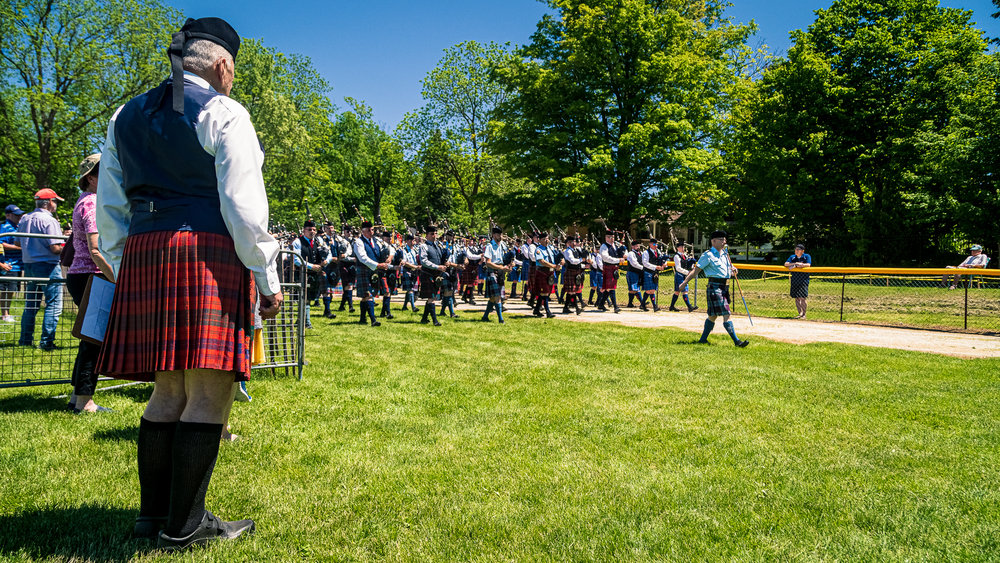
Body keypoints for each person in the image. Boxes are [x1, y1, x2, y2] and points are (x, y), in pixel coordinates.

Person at [95, 17, 282, 550]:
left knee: (167, 389)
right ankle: (187, 527)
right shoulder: (225, 112)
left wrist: (118, 258)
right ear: (223, 65)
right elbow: (244, 210)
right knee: (210, 389)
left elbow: (111, 203)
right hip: (206, 250)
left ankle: (151, 518)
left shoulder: (123, 115)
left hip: (145, 250)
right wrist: (266, 277)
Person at [66, 154, 116, 414]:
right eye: (103, 171)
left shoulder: (85, 201)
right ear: (90, 178)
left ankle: (78, 398)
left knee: (89, 339)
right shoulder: (94, 203)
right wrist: (117, 279)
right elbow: (96, 250)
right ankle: (85, 402)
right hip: (93, 276)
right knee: (94, 341)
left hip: (84, 276)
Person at [680, 230, 749, 347]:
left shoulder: (725, 254)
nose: (724, 242)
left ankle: (702, 340)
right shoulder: (708, 255)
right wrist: (684, 282)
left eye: (725, 239)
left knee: (713, 316)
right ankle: (737, 342)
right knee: (727, 313)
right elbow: (696, 271)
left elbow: (729, 268)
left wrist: (734, 270)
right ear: (713, 241)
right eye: (721, 239)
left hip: (724, 287)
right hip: (714, 286)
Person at [17, 188, 66, 350]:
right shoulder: (50, 221)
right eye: (56, 201)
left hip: (29, 265)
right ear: (50, 202)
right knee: (53, 304)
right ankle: (46, 342)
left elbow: (18, 243)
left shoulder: (24, 218)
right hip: (48, 265)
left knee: (30, 304)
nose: (56, 204)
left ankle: (25, 340)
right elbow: (55, 248)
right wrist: (67, 244)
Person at [352, 220, 389, 326]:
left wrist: (388, 258)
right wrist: (377, 265)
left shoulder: (376, 240)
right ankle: (373, 320)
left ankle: (362, 319)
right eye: (369, 230)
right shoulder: (358, 242)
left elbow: (389, 248)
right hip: (364, 269)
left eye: (372, 230)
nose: (371, 232)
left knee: (366, 296)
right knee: (368, 294)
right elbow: (362, 258)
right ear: (363, 231)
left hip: (374, 271)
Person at [291, 220, 326, 329]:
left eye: (314, 230)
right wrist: (312, 266)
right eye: (309, 230)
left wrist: (326, 261)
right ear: (304, 230)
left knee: (309, 298)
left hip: (315, 274)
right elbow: (296, 260)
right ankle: (307, 322)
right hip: (302, 272)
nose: (312, 232)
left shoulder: (318, 241)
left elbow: (328, 253)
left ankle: (300, 320)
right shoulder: (297, 242)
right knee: (304, 297)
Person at [1, 204, 25, 322]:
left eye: (19, 215)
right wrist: (19, 248)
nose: (19, 217)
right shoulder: (5, 227)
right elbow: (2, 244)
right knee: (6, 290)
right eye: (16, 215)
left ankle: (7, 313)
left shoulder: (17, 226)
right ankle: (5, 314)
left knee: (11, 290)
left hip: (17, 265)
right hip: (9, 264)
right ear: (8, 215)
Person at [418, 225, 446, 326]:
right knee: (432, 298)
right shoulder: (423, 246)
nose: (434, 235)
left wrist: (445, 263)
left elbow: (441, 258)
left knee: (431, 297)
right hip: (428, 274)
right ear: (427, 235)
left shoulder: (437, 246)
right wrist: (437, 267)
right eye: (432, 234)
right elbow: (424, 261)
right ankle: (435, 321)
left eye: (435, 233)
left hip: (436, 275)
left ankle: (424, 319)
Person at [481, 226, 510, 323]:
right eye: (497, 234)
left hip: (501, 272)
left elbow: (506, 257)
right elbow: (488, 262)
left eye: (500, 234)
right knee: (498, 296)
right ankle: (501, 319)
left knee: (493, 298)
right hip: (492, 271)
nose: (499, 236)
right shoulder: (489, 246)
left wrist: (509, 264)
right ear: (493, 235)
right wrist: (501, 267)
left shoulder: (503, 245)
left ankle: (485, 316)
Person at [531, 232, 558, 318]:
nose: (546, 240)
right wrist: (553, 266)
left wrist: (561, 261)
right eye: (544, 239)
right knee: (544, 292)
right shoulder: (538, 249)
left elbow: (556, 256)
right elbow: (541, 261)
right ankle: (548, 312)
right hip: (542, 272)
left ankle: (536, 310)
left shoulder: (551, 248)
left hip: (550, 272)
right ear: (540, 240)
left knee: (545, 292)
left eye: (547, 238)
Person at [561, 235, 588, 315]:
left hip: (576, 272)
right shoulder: (567, 251)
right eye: (573, 242)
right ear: (569, 243)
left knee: (571, 292)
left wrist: (585, 264)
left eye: (575, 241)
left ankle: (566, 308)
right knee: (572, 291)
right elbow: (572, 261)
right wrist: (581, 260)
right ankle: (577, 308)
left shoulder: (576, 250)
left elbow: (580, 260)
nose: (575, 243)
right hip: (570, 271)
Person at [784, 243, 811, 318]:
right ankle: (800, 313)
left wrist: (800, 265)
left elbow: (808, 264)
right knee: (797, 298)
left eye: (798, 249)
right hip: (795, 279)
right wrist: (795, 263)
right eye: (795, 249)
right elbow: (786, 264)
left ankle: (804, 314)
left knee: (802, 297)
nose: (796, 251)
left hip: (803, 280)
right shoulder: (792, 257)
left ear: (802, 251)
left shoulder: (806, 256)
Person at [640, 238, 667, 312]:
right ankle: (654, 306)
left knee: (652, 290)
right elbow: (645, 263)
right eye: (654, 244)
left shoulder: (658, 252)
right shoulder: (646, 252)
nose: (656, 246)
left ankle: (643, 304)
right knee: (650, 290)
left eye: (656, 244)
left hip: (655, 273)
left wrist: (664, 265)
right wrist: (656, 267)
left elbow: (663, 260)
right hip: (648, 272)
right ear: (650, 244)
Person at [598, 231, 622, 313]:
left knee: (608, 288)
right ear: (606, 238)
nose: (612, 239)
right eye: (610, 237)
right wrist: (618, 260)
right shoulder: (604, 246)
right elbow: (606, 258)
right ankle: (615, 306)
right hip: (608, 267)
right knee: (611, 287)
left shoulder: (614, 245)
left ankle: (601, 304)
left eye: (613, 237)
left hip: (614, 268)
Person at [669, 242, 697, 312]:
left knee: (678, 292)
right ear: (677, 248)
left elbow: (687, 265)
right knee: (684, 291)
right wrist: (688, 272)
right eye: (681, 247)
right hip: (679, 275)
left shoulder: (685, 256)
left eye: (683, 247)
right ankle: (689, 307)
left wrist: (691, 265)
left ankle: (672, 306)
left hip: (684, 275)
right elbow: (678, 268)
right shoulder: (676, 256)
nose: (682, 248)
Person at [624, 239, 643, 308]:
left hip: (638, 273)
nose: (638, 247)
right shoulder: (631, 253)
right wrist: (642, 268)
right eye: (636, 246)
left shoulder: (640, 253)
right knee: (635, 288)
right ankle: (642, 303)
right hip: (632, 273)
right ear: (632, 246)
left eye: (638, 246)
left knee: (632, 290)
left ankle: (630, 304)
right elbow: (634, 264)